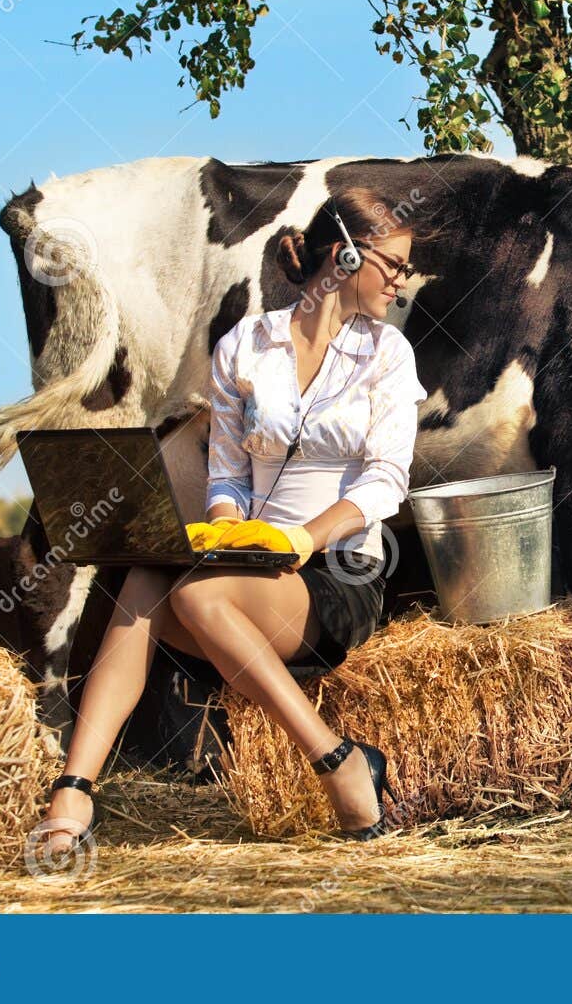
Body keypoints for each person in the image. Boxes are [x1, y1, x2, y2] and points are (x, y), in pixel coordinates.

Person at [28, 192, 428, 854]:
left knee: (191, 592)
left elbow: (386, 479)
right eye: (393, 264)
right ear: (346, 256)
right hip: (252, 565)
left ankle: (339, 762)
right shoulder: (246, 343)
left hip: (337, 571)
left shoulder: (387, 353)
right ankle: (73, 791)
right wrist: (222, 528)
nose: (401, 281)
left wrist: (300, 538)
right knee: (148, 574)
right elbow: (228, 476)